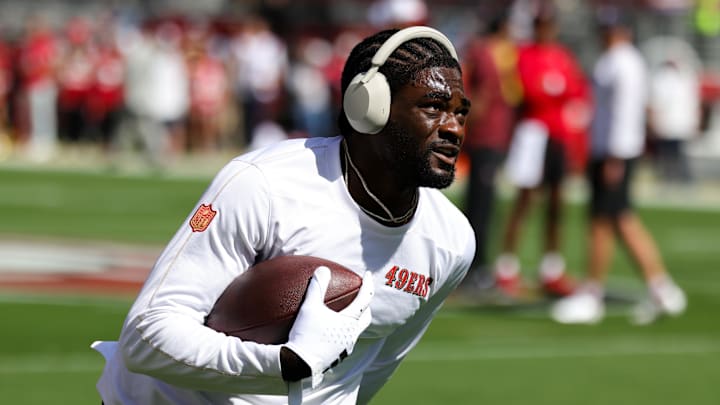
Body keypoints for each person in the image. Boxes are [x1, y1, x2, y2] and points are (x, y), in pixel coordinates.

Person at [92, 26, 474, 404]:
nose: (454, 128)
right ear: (368, 106)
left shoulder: (451, 240)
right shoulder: (265, 184)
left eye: (460, 112)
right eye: (433, 107)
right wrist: (284, 365)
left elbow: (375, 368)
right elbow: (144, 339)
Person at [551, 14, 687, 325]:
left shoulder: (622, 62)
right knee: (623, 220)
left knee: (600, 222)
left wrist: (612, 157)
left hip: (614, 153)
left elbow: (625, 111)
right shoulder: (621, 60)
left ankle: (592, 294)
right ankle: (662, 287)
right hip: (614, 151)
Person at [492, 11, 591, 298]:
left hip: (558, 135)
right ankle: (506, 266)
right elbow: (531, 91)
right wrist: (553, 91)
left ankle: (552, 267)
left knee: (557, 203)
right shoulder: (523, 54)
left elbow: (576, 91)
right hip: (534, 135)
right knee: (525, 200)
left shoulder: (562, 56)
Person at [458, 10, 523, 291]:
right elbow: (466, 83)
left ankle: (477, 264)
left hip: (495, 136)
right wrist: (474, 109)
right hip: (486, 135)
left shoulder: (504, 52)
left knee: (483, 201)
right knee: (480, 203)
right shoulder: (485, 51)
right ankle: (475, 266)